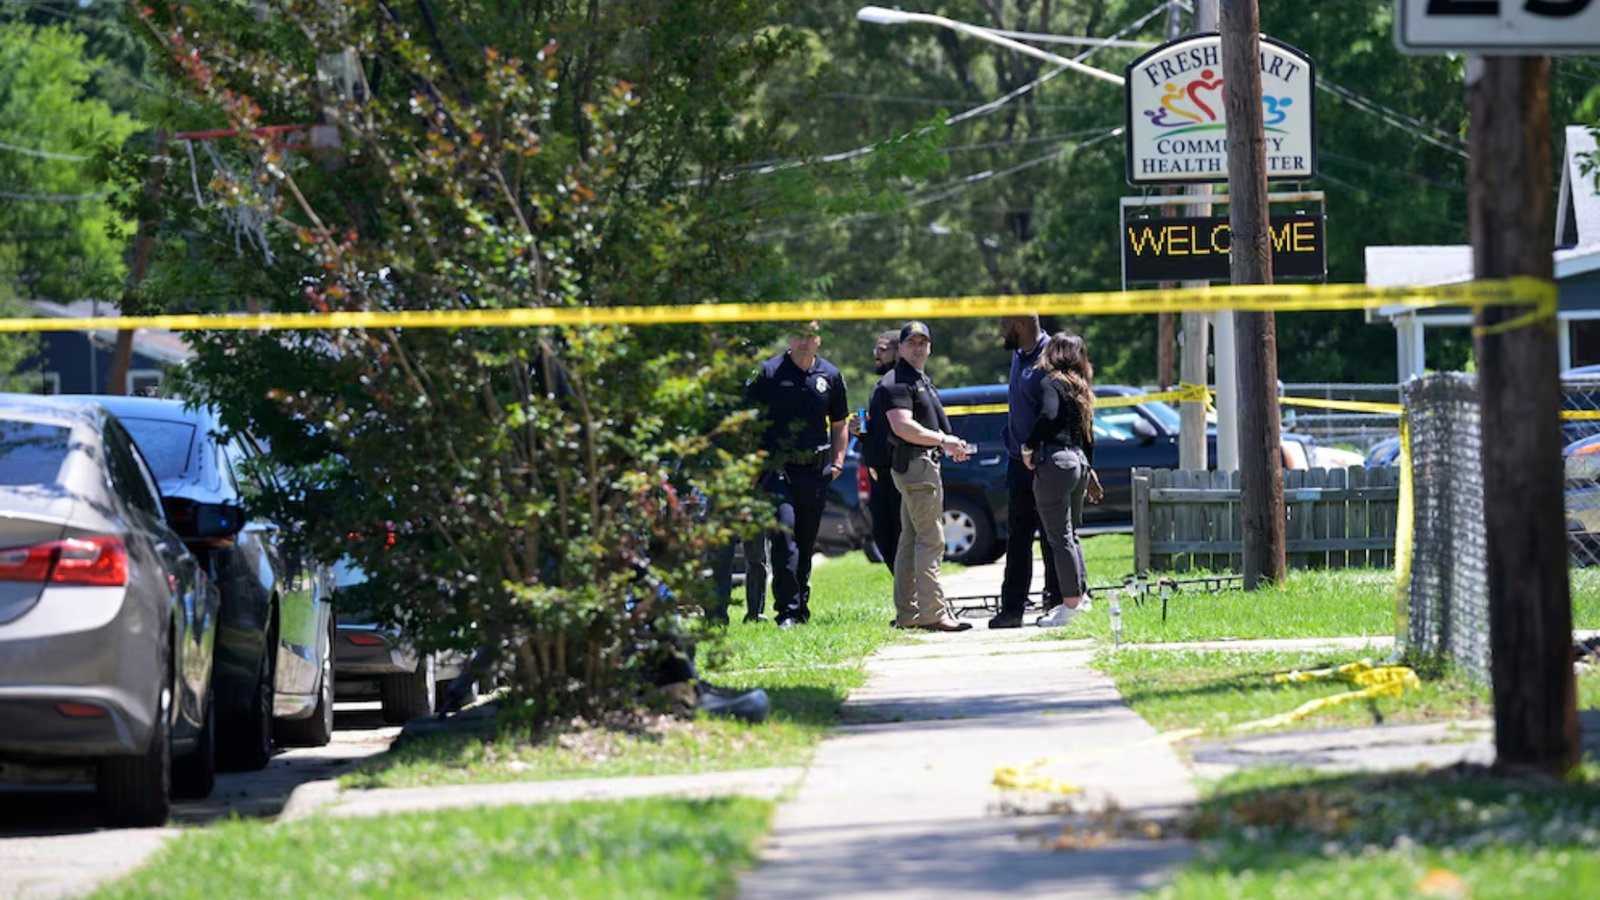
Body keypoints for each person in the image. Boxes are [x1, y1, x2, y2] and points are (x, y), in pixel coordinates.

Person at [747, 320, 850, 628]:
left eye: (810, 336)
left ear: (819, 339)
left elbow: (840, 422)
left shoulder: (830, 376)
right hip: (778, 470)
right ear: (789, 337)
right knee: (784, 535)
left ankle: (800, 605)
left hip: (815, 470)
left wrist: (838, 461)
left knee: (805, 541)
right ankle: (787, 612)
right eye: (798, 335)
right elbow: (750, 421)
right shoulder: (769, 373)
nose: (804, 342)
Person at [884, 321, 972, 632]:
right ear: (901, 347)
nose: (918, 348)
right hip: (917, 467)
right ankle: (933, 613)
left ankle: (908, 614)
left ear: (930, 347)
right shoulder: (897, 381)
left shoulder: (919, 379)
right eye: (912, 343)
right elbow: (902, 426)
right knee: (932, 540)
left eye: (923, 342)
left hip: (921, 464)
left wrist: (949, 444)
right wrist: (943, 440)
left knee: (911, 540)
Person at [1022, 332, 1105, 628]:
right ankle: (1081, 599)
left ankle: (1070, 605)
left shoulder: (1052, 382)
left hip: (1056, 462)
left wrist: (1028, 445)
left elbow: (1048, 416)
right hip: (1079, 462)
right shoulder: (1083, 388)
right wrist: (1090, 470)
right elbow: (1089, 438)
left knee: (1059, 537)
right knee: (1071, 535)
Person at [988, 314, 1065, 629]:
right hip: (1017, 463)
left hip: (1045, 461)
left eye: (1003, 325)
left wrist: (1035, 445)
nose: (1000, 332)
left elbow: (1055, 411)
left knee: (1052, 535)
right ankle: (1012, 609)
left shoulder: (1052, 356)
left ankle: (1059, 601)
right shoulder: (1018, 357)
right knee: (1017, 537)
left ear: (1019, 326)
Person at [852, 330, 902, 576]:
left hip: (900, 474)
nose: (876, 355)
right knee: (884, 538)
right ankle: (906, 602)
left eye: (882, 350)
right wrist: (861, 431)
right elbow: (881, 430)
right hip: (879, 475)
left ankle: (914, 604)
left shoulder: (901, 383)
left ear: (898, 351)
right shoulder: (880, 386)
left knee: (902, 541)